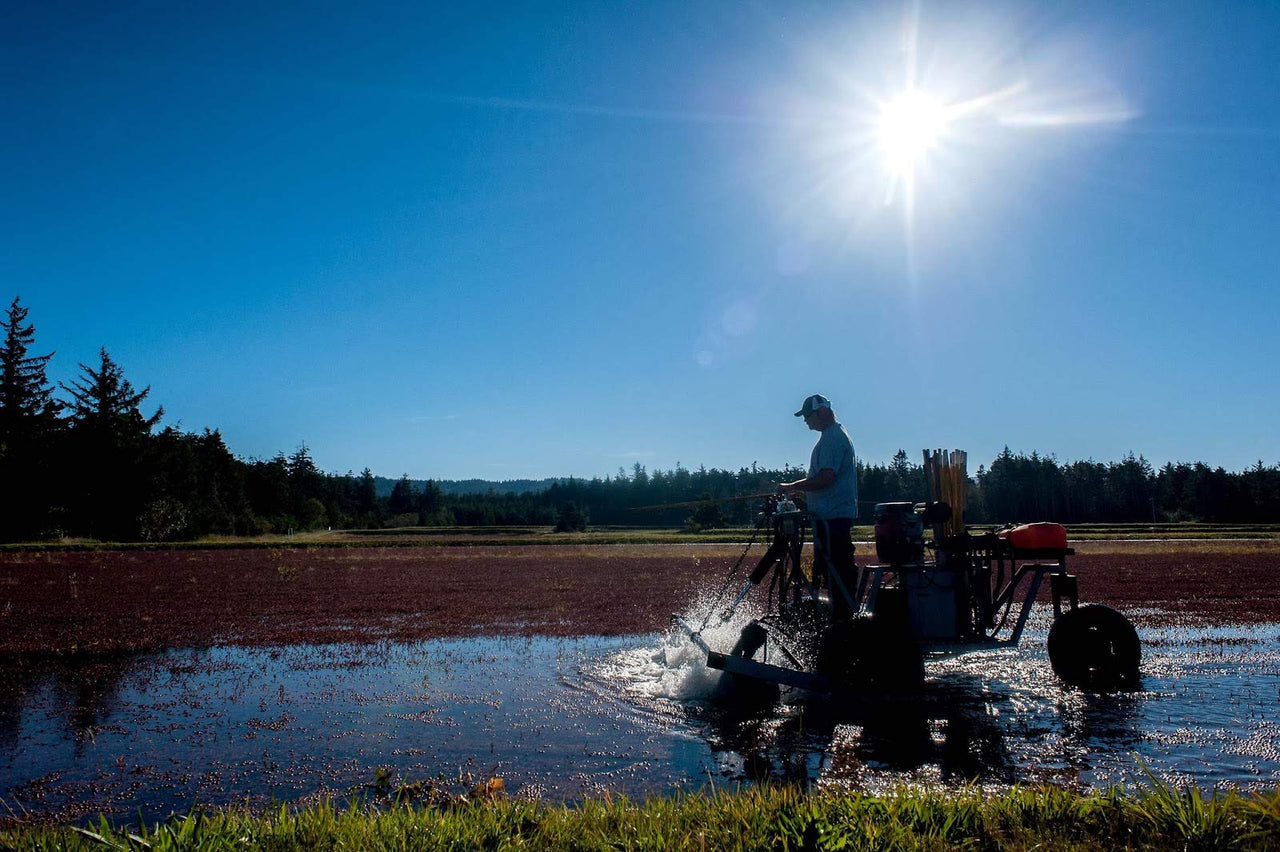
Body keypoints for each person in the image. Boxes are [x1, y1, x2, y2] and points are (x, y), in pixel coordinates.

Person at [780, 394, 858, 620]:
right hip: (829, 518)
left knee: (836, 571)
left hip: (832, 519)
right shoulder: (832, 436)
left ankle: (842, 621)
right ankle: (838, 618)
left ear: (822, 412)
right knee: (830, 571)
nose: (806, 421)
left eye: (808, 416)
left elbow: (826, 479)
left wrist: (793, 486)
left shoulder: (832, 439)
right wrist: (801, 489)